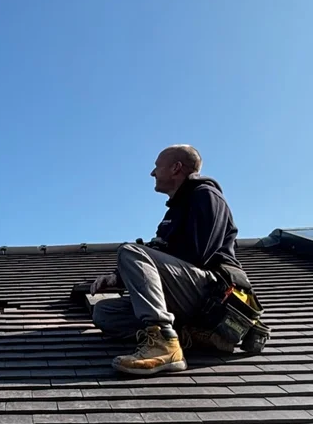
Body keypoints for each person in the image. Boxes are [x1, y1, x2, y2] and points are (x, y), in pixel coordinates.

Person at [90, 144, 257, 375]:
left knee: (129, 251)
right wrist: (120, 278)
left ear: (176, 167)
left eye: (157, 167)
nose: (152, 173)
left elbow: (198, 255)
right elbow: (168, 259)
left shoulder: (206, 196)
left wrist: (142, 258)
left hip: (211, 294)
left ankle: (163, 342)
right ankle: (189, 335)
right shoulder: (176, 209)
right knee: (104, 312)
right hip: (187, 293)